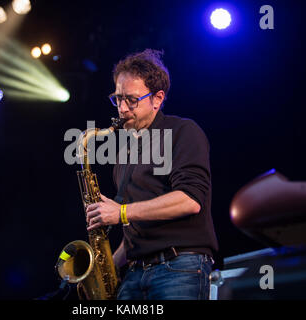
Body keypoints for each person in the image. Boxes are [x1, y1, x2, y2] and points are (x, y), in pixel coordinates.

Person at [85, 49, 218, 300]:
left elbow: (190, 200)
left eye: (131, 100)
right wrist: (110, 264)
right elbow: (139, 222)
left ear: (157, 99)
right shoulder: (125, 153)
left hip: (179, 266)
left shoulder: (183, 131)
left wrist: (121, 212)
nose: (122, 109)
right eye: (117, 99)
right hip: (134, 272)